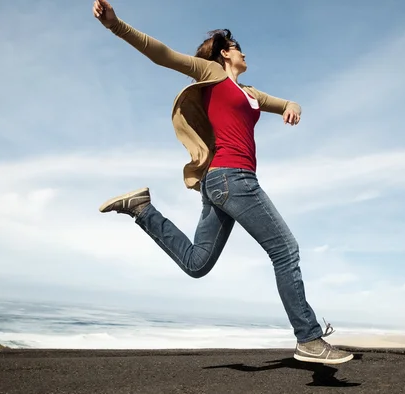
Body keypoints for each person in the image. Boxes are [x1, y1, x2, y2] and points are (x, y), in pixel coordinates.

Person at [92, 0, 353, 364]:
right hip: (233, 177)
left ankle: (142, 209)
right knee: (286, 250)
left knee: (197, 264)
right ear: (226, 53)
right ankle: (308, 338)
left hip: (220, 184)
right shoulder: (209, 73)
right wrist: (115, 25)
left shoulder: (249, 93)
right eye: (240, 49)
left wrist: (292, 104)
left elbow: (283, 103)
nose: (245, 54)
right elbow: (162, 54)